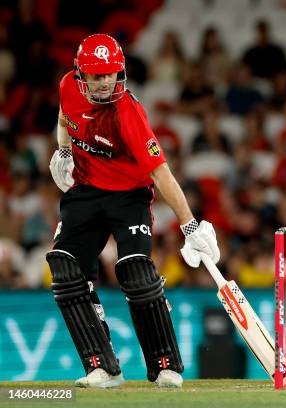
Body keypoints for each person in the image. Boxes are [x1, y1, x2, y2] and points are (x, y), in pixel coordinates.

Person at [47, 34, 220, 389]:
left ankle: (165, 365)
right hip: (86, 190)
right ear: (81, 76)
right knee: (65, 267)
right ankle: (103, 367)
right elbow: (65, 115)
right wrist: (63, 150)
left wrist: (190, 227)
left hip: (129, 198)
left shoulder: (128, 112)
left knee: (135, 271)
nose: (106, 81)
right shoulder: (67, 86)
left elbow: (160, 173)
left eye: (111, 73)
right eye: (96, 76)